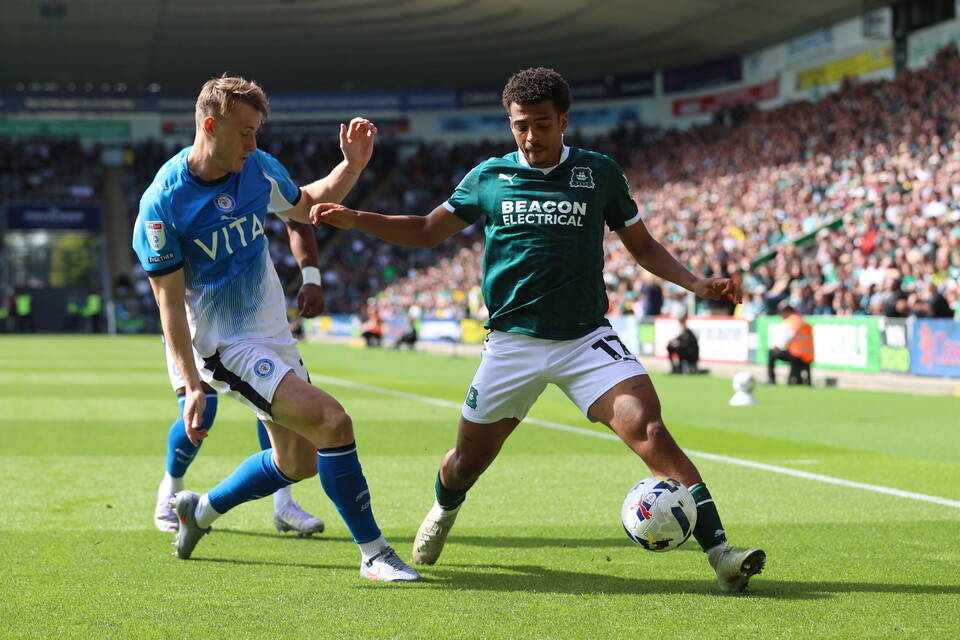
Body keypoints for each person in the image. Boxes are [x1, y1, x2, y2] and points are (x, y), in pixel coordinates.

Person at [313, 67, 765, 592]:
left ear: (564, 121)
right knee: (465, 463)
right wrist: (357, 217)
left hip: (585, 340)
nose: (532, 136)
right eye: (521, 125)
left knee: (651, 431)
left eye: (543, 124)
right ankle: (443, 508)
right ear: (510, 123)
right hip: (512, 345)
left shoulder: (599, 173)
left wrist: (695, 283)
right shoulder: (488, 177)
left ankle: (722, 555)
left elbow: (640, 245)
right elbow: (424, 231)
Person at [132, 74, 420, 582]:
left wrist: (351, 167)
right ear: (209, 125)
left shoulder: (258, 168)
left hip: (274, 336)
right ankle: (374, 553)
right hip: (227, 346)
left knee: (298, 461)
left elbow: (309, 207)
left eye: (256, 131)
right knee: (333, 422)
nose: (253, 142)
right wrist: (192, 382)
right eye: (244, 131)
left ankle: (199, 511)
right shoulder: (162, 204)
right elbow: (169, 303)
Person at [153, 219, 328, 538]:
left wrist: (311, 276)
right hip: (193, 321)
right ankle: (171, 489)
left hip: (248, 319)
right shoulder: (167, 198)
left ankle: (283, 504)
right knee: (202, 411)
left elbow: (300, 208)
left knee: (275, 403)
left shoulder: (249, 174)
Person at [766, 303, 814, 385]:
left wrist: (775, 346)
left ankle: (771, 379)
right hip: (808, 357)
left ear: (788, 312)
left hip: (796, 355)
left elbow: (780, 343)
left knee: (772, 352)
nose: (781, 315)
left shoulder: (789, 323)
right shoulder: (803, 320)